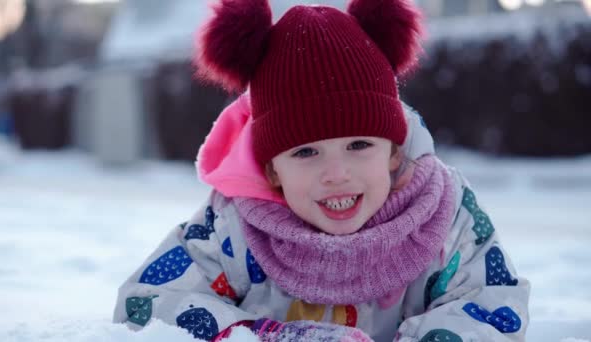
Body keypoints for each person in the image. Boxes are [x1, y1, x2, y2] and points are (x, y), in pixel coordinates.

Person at [113, 0, 530, 340]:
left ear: (392, 152)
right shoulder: (234, 226)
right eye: (306, 153)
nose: (336, 174)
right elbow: (147, 305)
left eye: (359, 145)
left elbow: (491, 304)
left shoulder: (442, 214)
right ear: (272, 170)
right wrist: (265, 337)